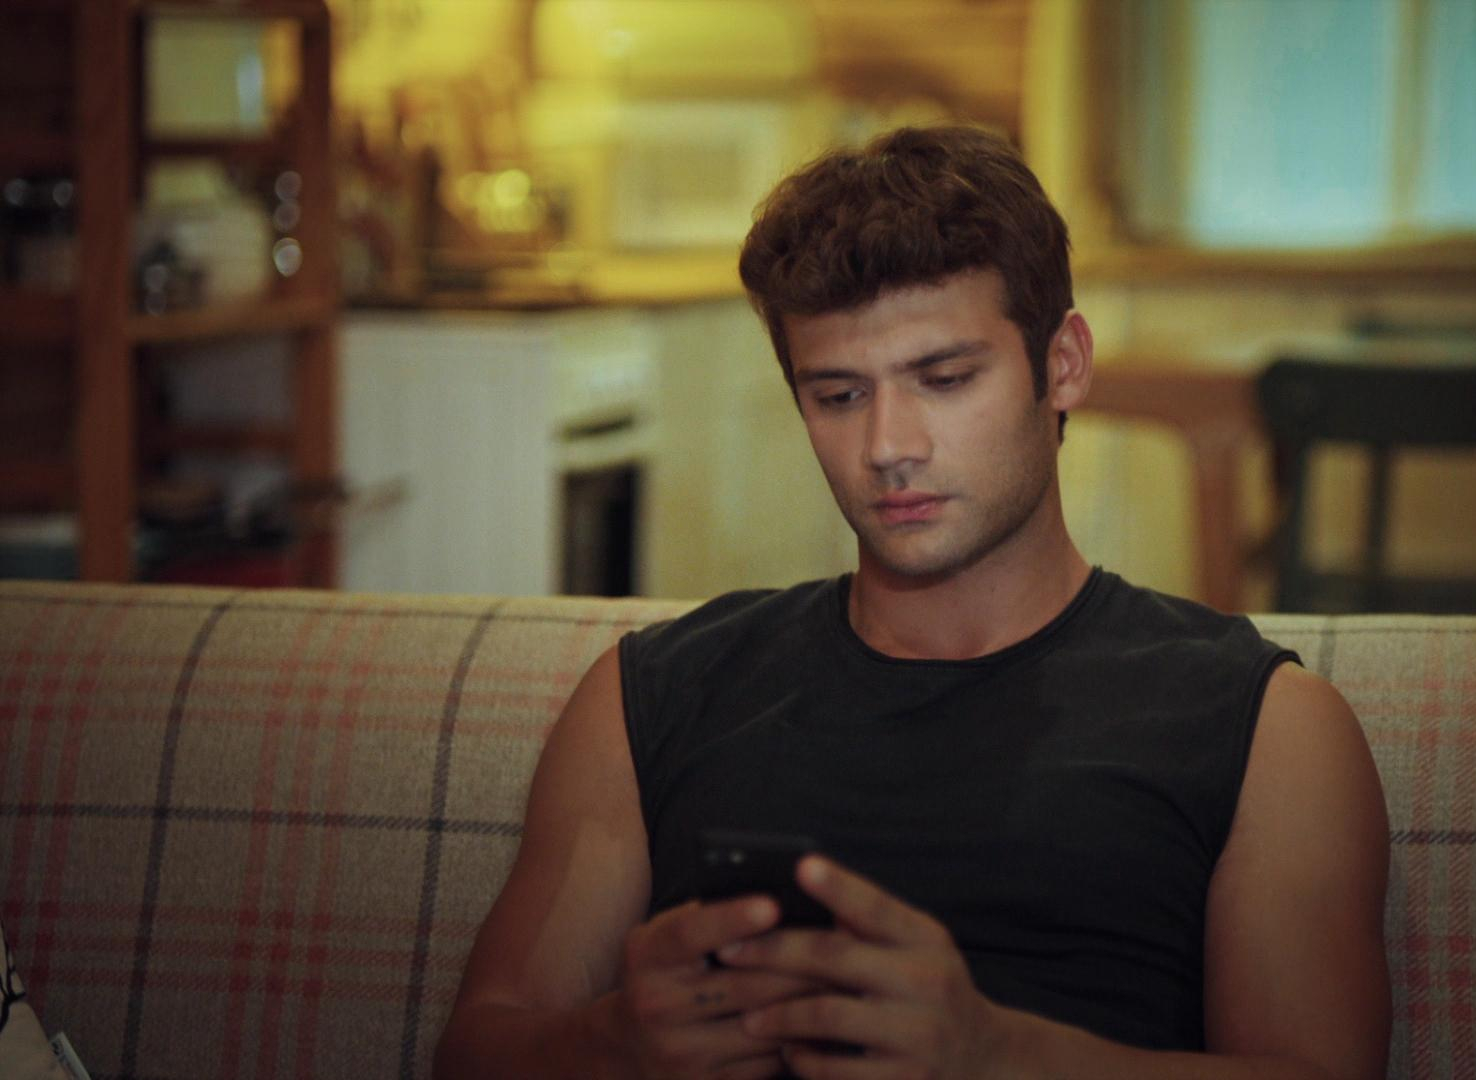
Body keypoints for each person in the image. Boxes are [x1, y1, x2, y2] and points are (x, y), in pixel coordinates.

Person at [436, 125, 1389, 1080]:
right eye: (839, 396)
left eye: (944, 379)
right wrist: (608, 1045)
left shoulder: (1263, 724)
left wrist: (996, 1055)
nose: (889, 446)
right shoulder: (650, 694)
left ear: (1062, 364)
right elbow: (477, 1046)